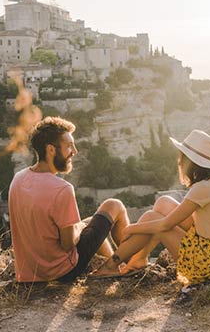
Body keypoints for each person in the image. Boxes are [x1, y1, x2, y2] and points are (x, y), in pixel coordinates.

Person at [92, 129, 210, 285]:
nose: (179, 160)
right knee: (163, 202)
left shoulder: (204, 187)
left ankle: (112, 264)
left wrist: (130, 229)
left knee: (154, 219)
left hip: (208, 262)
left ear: (189, 161)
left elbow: (165, 224)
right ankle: (138, 259)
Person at [8, 116, 130, 283]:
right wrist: (79, 226)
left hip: (30, 274)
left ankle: (113, 267)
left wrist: (81, 225)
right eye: (69, 146)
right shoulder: (62, 189)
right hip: (61, 271)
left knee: (89, 223)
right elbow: (68, 244)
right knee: (114, 205)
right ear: (51, 150)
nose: (75, 151)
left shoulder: (18, 179)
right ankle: (132, 265)